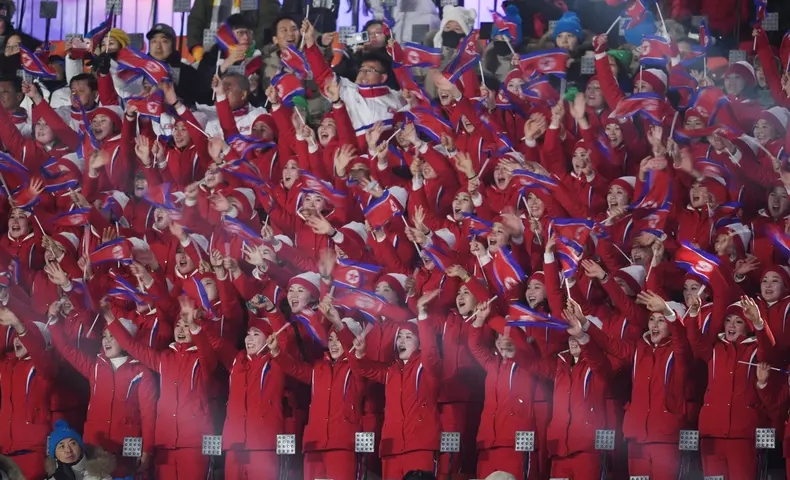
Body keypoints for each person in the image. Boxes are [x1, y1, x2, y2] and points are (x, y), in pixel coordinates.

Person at [44, 421, 115, 480]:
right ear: (55, 454)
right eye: (62, 446)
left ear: (80, 447)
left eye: (72, 444)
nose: (68, 450)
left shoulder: (100, 475)